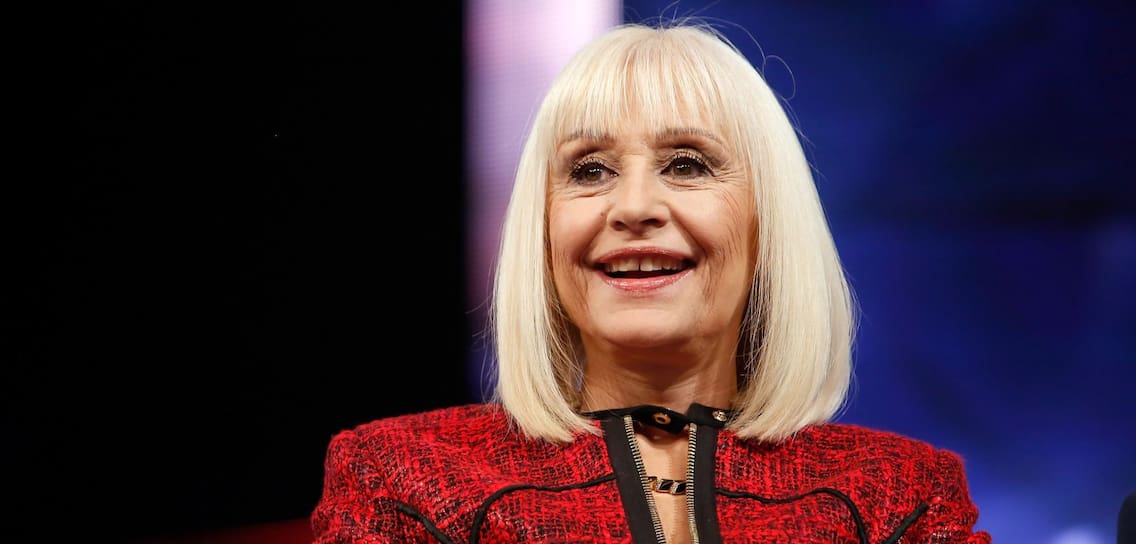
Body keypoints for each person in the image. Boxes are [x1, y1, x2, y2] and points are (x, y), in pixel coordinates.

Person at [311, 20, 990, 544]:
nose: (634, 207)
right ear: (541, 230)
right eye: (589, 170)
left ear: (768, 221)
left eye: (687, 164)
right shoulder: (403, 479)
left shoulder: (900, 496)